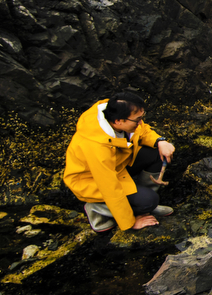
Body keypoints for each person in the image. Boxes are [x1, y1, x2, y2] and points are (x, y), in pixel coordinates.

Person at [63, 91, 177, 232]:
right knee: (149, 200)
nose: (140, 122)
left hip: (118, 166)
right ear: (118, 121)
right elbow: (109, 187)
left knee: (156, 154)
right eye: (137, 119)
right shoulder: (97, 147)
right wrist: (130, 223)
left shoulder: (119, 115)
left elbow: (142, 130)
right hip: (91, 181)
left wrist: (160, 141)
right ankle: (97, 209)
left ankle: (144, 206)